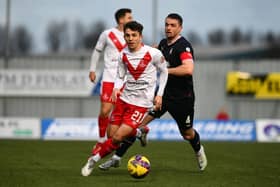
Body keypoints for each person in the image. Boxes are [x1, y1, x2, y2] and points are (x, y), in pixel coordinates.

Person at [99, 13, 208, 172]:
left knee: (187, 134)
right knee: (133, 125)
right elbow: (148, 51)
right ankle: (117, 157)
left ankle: (199, 151)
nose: (168, 28)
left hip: (182, 99)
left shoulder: (183, 46)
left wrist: (164, 70)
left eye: (172, 25)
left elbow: (188, 69)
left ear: (180, 28)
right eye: (166, 24)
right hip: (160, 97)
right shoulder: (163, 43)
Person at [81, 21, 168, 177]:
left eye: (134, 35)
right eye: (127, 35)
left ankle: (92, 161)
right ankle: (140, 131)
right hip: (123, 100)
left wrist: (159, 94)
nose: (130, 38)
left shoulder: (153, 54)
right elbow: (121, 75)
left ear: (140, 36)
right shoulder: (123, 54)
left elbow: (164, 72)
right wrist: (116, 88)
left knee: (117, 137)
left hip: (140, 105)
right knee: (111, 137)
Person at [88, 8, 133, 147]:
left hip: (125, 79)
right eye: (129, 18)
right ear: (121, 20)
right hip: (109, 78)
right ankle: (101, 140)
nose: (131, 20)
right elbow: (97, 52)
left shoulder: (132, 35)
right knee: (105, 111)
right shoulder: (107, 34)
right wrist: (92, 70)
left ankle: (136, 132)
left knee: (125, 111)